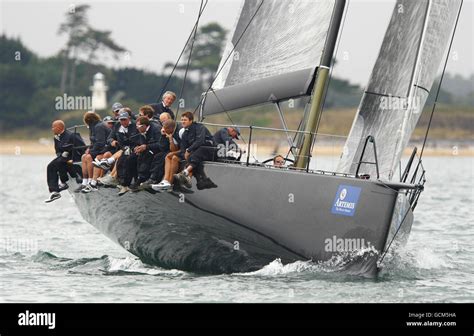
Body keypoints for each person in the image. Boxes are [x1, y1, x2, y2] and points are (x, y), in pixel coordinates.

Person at [153, 111, 215, 190]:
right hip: (191, 151)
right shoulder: (185, 132)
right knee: (171, 157)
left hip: (206, 150)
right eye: (182, 120)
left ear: (191, 120)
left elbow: (200, 141)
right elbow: (182, 147)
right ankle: (166, 182)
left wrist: (188, 150)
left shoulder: (199, 127)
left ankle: (183, 177)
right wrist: (171, 139)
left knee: (177, 156)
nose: (182, 121)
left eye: (185, 120)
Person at [45, 120, 85, 203]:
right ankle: (55, 191)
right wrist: (61, 154)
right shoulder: (56, 137)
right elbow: (57, 150)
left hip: (73, 158)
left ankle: (63, 182)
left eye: (54, 127)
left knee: (59, 163)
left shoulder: (72, 135)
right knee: (50, 166)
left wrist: (76, 157)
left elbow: (82, 148)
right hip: (63, 158)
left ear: (60, 127)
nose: (52, 129)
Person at [76, 111, 111, 193]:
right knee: (83, 156)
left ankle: (91, 181)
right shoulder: (93, 127)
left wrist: (91, 151)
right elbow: (94, 142)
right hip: (99, 149)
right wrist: (89, 148)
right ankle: (85, 182)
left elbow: (100, 142)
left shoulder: (99, 126)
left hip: (105, 149)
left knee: (88, 157)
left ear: (88, 120)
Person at [140, 119, 180, 189]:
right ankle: (152, 177)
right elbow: (162, 147)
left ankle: (157, 179)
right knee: (158, 156)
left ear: (171, 128)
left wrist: (170, 139)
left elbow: (176, 149)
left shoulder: (178, 133)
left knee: (164, 157)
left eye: (165, 128)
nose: (163, 129)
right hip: (169, 150)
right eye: (163, 128)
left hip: (180, 151)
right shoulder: (167, 133)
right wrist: (163, 136)